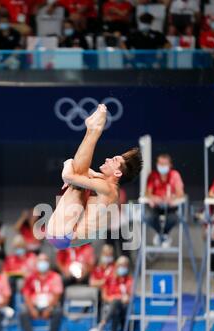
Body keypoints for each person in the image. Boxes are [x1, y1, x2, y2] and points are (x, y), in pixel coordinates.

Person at [46, 104, 143, 249]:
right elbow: (85, 172)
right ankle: (92, 130)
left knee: (78, 180)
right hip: (65, 236)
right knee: (82, 177)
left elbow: (68, 175)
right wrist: (74, 173)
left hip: (61, 234)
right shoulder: (106, 186)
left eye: (113, 160)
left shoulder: (107, 188)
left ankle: (94, 131)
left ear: (117, 173)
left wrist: (68, 162)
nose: (107, 159)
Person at [20, 253, 64, 331]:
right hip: (34, 305)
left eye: (45, 261)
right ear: (36, 263)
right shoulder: (30, 277)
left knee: (58, 311)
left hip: (49, 305)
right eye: (40, 261)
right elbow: (26, 294)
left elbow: (57, 295)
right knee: (23, 312)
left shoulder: (55, 276)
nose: (42, 263)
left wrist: (49, 308)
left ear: (48, 263)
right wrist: (31, 309)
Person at [89, 256, 132, 331]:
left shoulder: (129, 280)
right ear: (117, 266)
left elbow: (130, 296)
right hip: (111, 305)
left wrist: (124, 298)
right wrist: (112, 299)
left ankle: (101, 325)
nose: (122, 267)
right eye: (121, 265)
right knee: (115, 309)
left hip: (124, 307)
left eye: (125, 265)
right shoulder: (110, 278)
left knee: (116, 303)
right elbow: (104, 296)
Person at [145, 154, 184, 248]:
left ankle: (164, 235)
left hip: (170, 207)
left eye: (164, 164)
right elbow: (147, 193)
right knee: (147, 217)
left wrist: (171, 198)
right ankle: (161, 234)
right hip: (156, 207)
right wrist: (154, 198)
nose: (162, 166)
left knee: (174, 218)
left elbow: (180, 193)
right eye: (160, 163)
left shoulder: (175, 175)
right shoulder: (153, 176)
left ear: (170, 165)